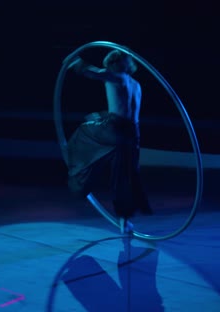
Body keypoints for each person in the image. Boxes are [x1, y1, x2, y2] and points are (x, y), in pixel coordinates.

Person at [64, 50, 153, 234]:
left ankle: (75, 166)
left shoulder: (114, 76)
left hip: (115, 128)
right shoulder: (136, 84)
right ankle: (124, 220)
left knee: (84, 131)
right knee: (124, 176)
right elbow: (124, 107)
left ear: (113, 64)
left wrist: (73, 61)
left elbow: (91, 72)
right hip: (132, 133)